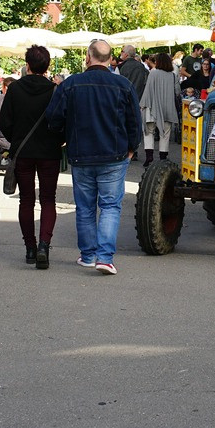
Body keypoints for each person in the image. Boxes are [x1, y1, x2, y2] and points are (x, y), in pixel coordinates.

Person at [46, 39, 141, 276]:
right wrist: (132, 147)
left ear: (88, 58)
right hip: (114, 154)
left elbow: (54, 118)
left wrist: (63, 139)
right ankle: (105, 258)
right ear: (111, 60)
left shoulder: (71, 84)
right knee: (110, 206)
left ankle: (88, 255)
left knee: (85, 207)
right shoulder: (123, 84)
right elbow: (134, 122)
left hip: (81, 154)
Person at [0, 45, 61, 269]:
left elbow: (4, 122)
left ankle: (30, 247)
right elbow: (62, 121)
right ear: (48, 66)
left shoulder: (14, 89)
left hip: (23, 152)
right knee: (48, 199)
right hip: (49, 152)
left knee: (26, 200)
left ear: (27, 65)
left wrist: (17, 137)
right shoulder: (55, 90)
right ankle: (44, 244)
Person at [139, 52, 178, 168]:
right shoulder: (172, 76)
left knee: (148, 133)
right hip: (167, 109)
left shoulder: (153, 73)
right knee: (165, 134)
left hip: (151, 108)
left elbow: (148, 91)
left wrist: (143, 105)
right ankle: (162, 158)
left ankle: (149, 157)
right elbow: (177, 92)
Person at [118, 44, 148, 160]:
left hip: (123, 100)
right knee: (134, 125)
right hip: (138, 99)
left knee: (123, 125)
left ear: (126, 54)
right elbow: (146, 83)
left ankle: (125, 150)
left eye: (121, 51)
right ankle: (133, 150)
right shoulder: (142, 68)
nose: (121, 53)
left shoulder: (121, 67)